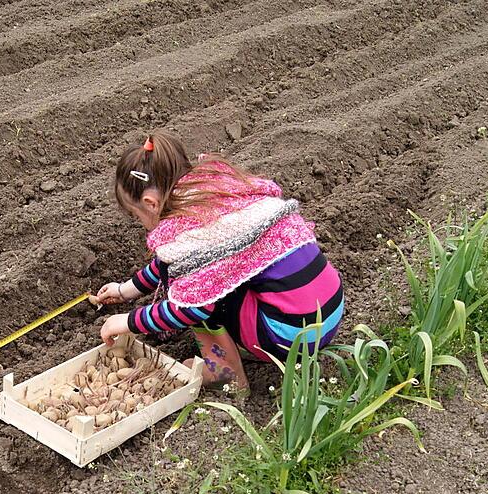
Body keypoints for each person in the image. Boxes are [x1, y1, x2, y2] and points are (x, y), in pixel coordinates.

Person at [91, 131, 343, 390]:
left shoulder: (187, 231)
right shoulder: (213, 193)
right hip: (325, 312)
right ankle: (245, 341)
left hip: (290, 335)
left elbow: (192, 307)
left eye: (136, 215)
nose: (140, 223)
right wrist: (125, 291)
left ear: (150, 203)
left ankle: (224, 374)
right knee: (201, 276)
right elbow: (170, 263)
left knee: (199, 292)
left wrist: (130, 320)